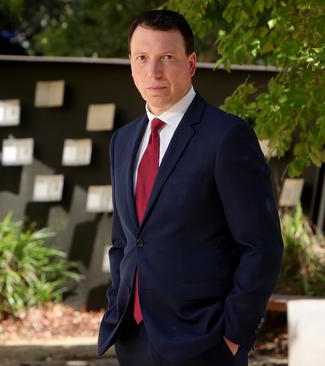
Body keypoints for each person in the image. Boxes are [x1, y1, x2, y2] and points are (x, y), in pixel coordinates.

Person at [96, 9, 284, 366]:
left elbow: (262, 246)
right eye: (143, 58)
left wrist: (233, 335)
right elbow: (124, 240)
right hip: (134, 339)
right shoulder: (122, 141)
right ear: (130, 64)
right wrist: (116, 305)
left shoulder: (227, 136)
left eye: (167, 57)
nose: (154, 71)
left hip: (205, 342)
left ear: (192, 63)